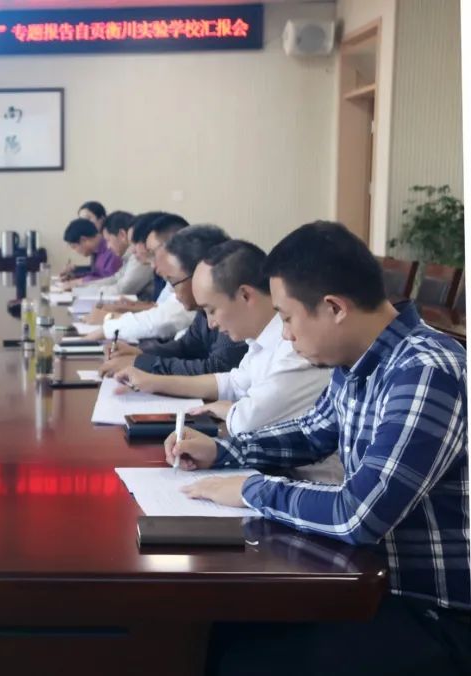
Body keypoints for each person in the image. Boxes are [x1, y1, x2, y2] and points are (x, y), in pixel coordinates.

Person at [168, 222, 469, 676]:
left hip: (433, 611)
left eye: (287, 318)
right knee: (220, 628)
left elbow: (359, 514)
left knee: (244, 662)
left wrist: (251, 489)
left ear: (334, 308)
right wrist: (222, 451)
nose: (286, 336)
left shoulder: (426, 370)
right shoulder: (357, 361)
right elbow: (310, 434)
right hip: (368, 582)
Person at [113, 239, 331, 437]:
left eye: (212, 310)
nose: (211, 324)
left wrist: (231, 409)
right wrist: (153, 382)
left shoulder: (296, 345)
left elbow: (247, 421)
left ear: (245, 295)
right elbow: (233, 383)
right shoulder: (261, 340)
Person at [99, 225, 247, 377]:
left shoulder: (233, 309)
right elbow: (185, 348)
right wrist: (139, 353)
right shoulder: (203, 311)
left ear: (200, 275)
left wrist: (139, 363)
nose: (171, 292)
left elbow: (216, 370)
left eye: (173, 282)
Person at [88, 213, 194, 342]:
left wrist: (110, 321)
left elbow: (166, 320)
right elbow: (163, 309)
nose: (132, 250)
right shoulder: (176, 276)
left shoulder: (189, 279)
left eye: (152, 251)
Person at [60, 218, 122, 288]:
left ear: (83, 240)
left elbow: (110, 280)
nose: (76, 251)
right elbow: (97, 274)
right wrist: (75, 275)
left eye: (74, 247)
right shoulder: (95, 251)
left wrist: (79, 282)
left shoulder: (112, 249)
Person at [62, 200, 107, 279]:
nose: (82, 223)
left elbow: (107, 276)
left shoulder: (110, 244)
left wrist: (79, 280)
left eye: (86, 219)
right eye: (80, 219)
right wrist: (75, 271)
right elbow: (96, 270)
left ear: (101, 220)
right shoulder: (94, 244)